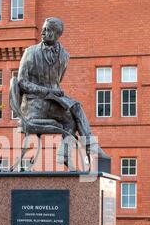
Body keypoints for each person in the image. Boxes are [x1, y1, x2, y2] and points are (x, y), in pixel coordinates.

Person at [17, 17, 110, 163]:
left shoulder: (65, 56)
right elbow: (21, 82)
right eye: (43, 29)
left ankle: (65, 155)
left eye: (47, 30)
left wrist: (54, 93)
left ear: (57, 34)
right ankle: (89, 147)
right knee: (76, 110)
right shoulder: (30, 52)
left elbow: (57, 81)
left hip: (53, 103)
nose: (43, 32)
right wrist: (46, 91)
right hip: (34, 105)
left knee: (72, 120)